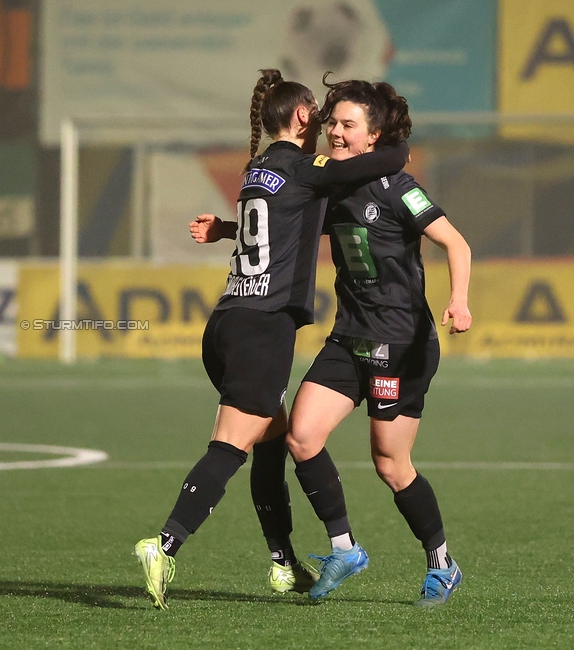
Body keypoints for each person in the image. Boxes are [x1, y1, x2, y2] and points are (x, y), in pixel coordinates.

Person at [133, 69, 409, 610]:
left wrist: (223, 229)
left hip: (227, 323)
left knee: (272, 440)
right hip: (263, 327)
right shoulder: (308, 169)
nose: (328, 124)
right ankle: (163, 545)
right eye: (322, 115)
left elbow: (280, 225)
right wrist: (385, 132)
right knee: (231, 445)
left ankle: (283, 562)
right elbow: (390, 162)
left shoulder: (257, 170)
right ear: (303, 116)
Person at [275, 78, 472, 605]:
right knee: (302, 435)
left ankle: (442, 562)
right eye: (332, 123)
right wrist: (229, 228)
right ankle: (344, 548)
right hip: (348, 338)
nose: (335, 133)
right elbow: (281, 226)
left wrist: (459, 300)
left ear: (374, 136)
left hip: (401, 342)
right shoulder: (328, 186)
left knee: (390, 464)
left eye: (347, 125)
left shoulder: (398, 187)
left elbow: (456, 243)